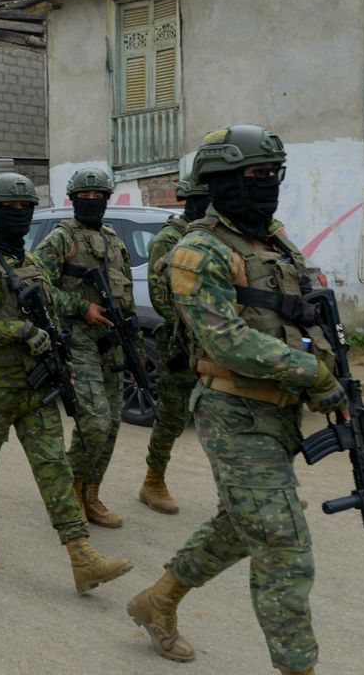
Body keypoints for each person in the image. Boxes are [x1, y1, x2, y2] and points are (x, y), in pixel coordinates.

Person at [126, 126, 347, 675]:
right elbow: (226, 340)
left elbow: (305, 312)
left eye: (274, 174)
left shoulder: (273, 240)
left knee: (242, 524)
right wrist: (313, 375)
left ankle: (159, 599)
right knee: (282, 543)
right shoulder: (196, 251)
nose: (268, 185)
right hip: (234, 411)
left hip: (280, 410)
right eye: (256, 176)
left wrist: (337, 376)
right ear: (219, 182)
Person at [0, 172, 132, 594]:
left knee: (53, 469)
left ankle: (82, 556)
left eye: (26, 208)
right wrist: (21, 332)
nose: (20, 215)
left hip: (36, 386)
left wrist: (78, 314)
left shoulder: (29, 262)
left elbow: (52, 303)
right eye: (11, 208)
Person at [35, 167, 135, 528]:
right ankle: (67, 491)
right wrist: (82, 307)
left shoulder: (113, 239)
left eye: (98, 198)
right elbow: (38, 289)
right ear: (73, 201)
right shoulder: (61, 239)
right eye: (84, 198)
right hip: (78, 341)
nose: (91, 203)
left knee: (110, 425)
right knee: (93, 422)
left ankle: (89, 492)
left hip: (113, 342)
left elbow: (125, 291)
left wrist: (130, 332)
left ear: (107, 201)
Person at [138, 178, 211, 514]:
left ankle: (242, 490)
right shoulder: (170, 239)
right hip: (181, 345)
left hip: (217, 344)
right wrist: (199, 327)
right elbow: (160, 298)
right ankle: (154, 480)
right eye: (203, 200)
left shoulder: (217, 238)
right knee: (172, 416)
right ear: (190, 202)